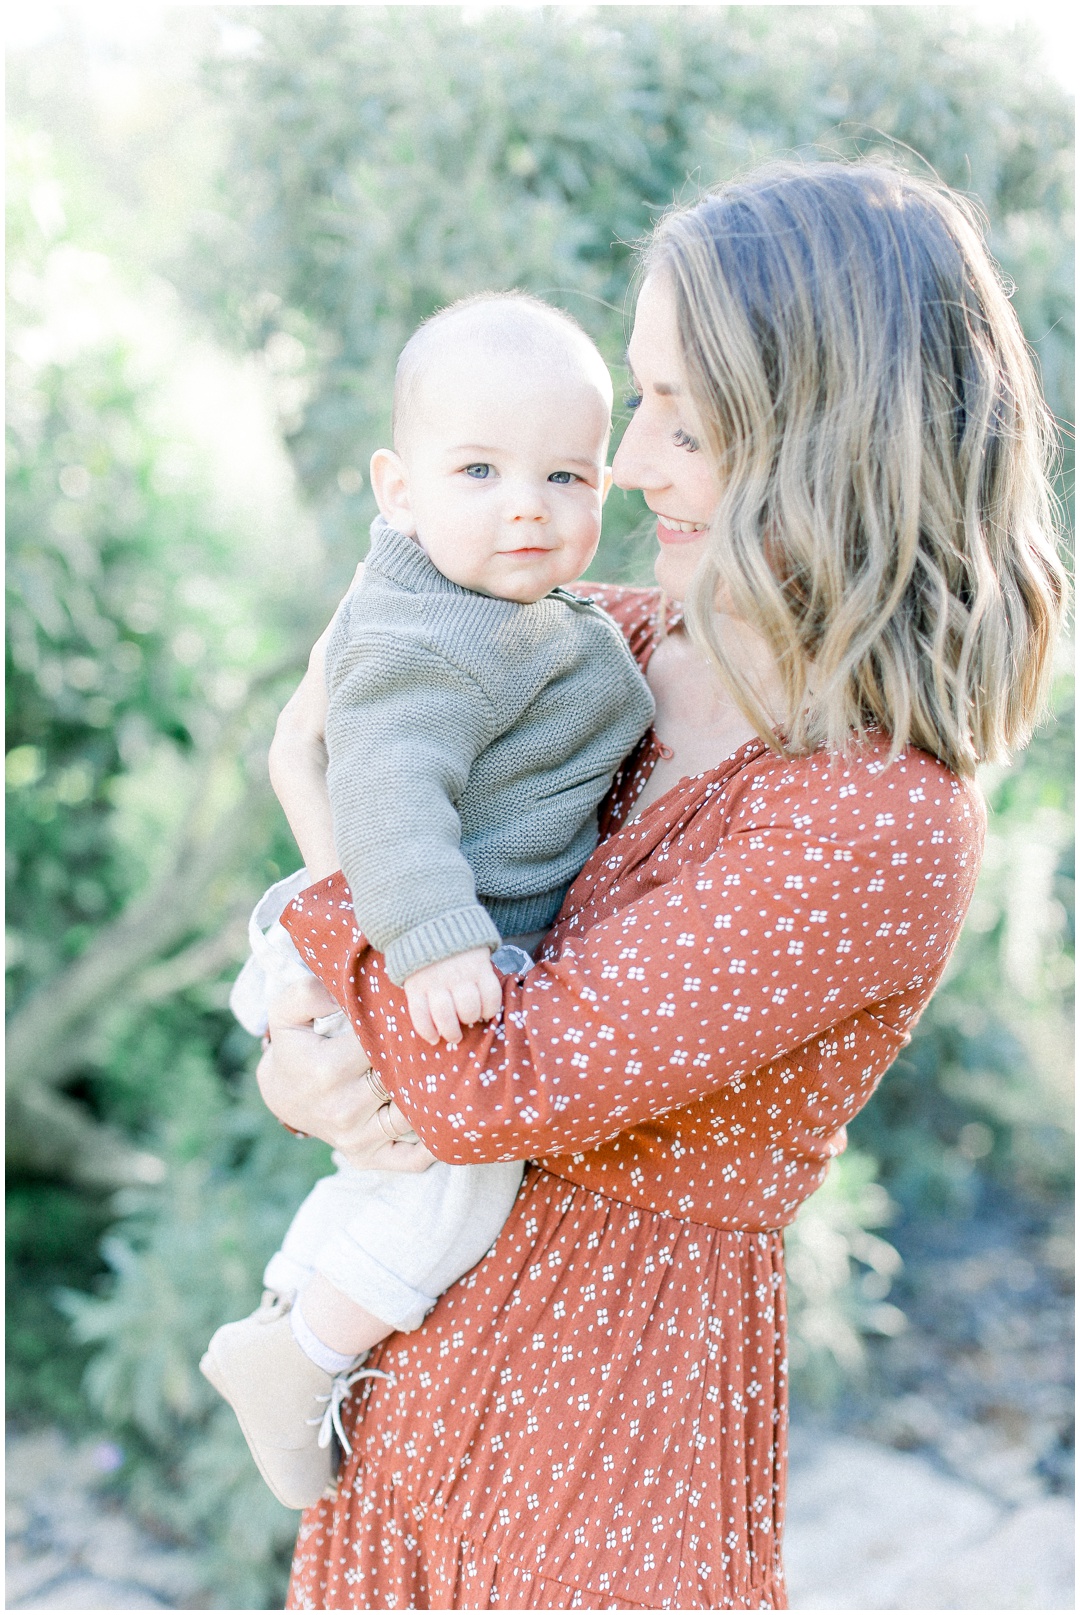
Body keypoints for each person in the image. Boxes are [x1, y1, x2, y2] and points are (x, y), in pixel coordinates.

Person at [256, 161, 1065, 1610]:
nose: (626, 463)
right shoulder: (595, 639)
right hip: (412, 1384)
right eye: (639, 403)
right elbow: (360, 725)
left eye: (685, 423)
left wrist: (315, 808)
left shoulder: (874, 816)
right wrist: (303, 1063)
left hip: (598, 1451)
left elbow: (486, 1081)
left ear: (833, 447)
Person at [201, 294, 655, 1510]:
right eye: (482, 470)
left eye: (567, 474)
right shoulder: (428, 635)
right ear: (396, 489)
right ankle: (300, 1358)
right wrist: (436, 941)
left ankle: (289, 1299)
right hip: (396, 934)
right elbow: (392, 793)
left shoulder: (509, 611)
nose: (530, 504)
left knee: (388, 1167)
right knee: (463, 1178)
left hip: (360, 930)